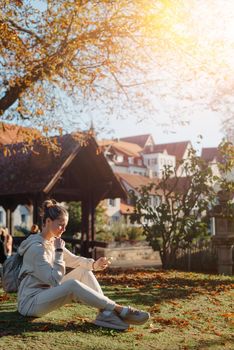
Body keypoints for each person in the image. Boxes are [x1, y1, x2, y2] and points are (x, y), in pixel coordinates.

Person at [17, 199, 150, 330]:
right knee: (72, 285)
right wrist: (58, 252)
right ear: (47, 221)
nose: (63, 229)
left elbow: (75, 260)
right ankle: (118, 309)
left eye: (65, 225)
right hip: (30, 303)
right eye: (61, 225)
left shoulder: (52, 242)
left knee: (83, 271)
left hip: (45, 293)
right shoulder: (36, 249)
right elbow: (54, 279)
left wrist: (94, 264)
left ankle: (105, 314)